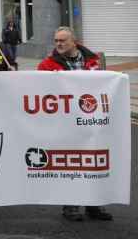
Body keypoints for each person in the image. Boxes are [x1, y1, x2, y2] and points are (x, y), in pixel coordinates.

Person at [37, 27, 112, 222]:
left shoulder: (92, 60)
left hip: (90, 120)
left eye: (63, 40)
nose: (59, 44)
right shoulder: (47, 65)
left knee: (92, 162)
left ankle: (94, 205)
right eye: (56, 41)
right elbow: (39, 90)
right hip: (64, 122)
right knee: (71, 163)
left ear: (74, 41)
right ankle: (70, 205)